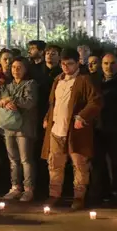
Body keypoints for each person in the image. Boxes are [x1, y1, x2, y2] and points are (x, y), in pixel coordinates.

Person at [41, 48, 102, 210]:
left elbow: (95, 101)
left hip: (76, 130)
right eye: (63, 64)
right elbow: (53, 103)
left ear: (77, 63)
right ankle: (54, 195)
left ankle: (79, 197)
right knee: (54, 164)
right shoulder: (58, 80)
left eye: (70, 64)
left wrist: (82, 117)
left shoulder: (84, 80)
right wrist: (48, 117)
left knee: (80, 164)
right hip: (56, 129)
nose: (66, 67)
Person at [90, 53, 117, 205]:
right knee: (97, 162)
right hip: (98, 128)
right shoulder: (94, 81)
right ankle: (100, 192)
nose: (109, 67)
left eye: (113, 63)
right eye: (106, 63)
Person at [0, 57, 39, 202]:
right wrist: (3, 102)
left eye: (19, 67)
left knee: (25, 159)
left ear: (26, 69)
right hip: (9, 126)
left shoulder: (30, 84)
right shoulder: (8, 85)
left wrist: (12, 101)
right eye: (14, 67)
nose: (16, 70)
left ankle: (28, 189)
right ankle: (15, 187)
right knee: (13, 159)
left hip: (24, 126)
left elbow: (30, 102)